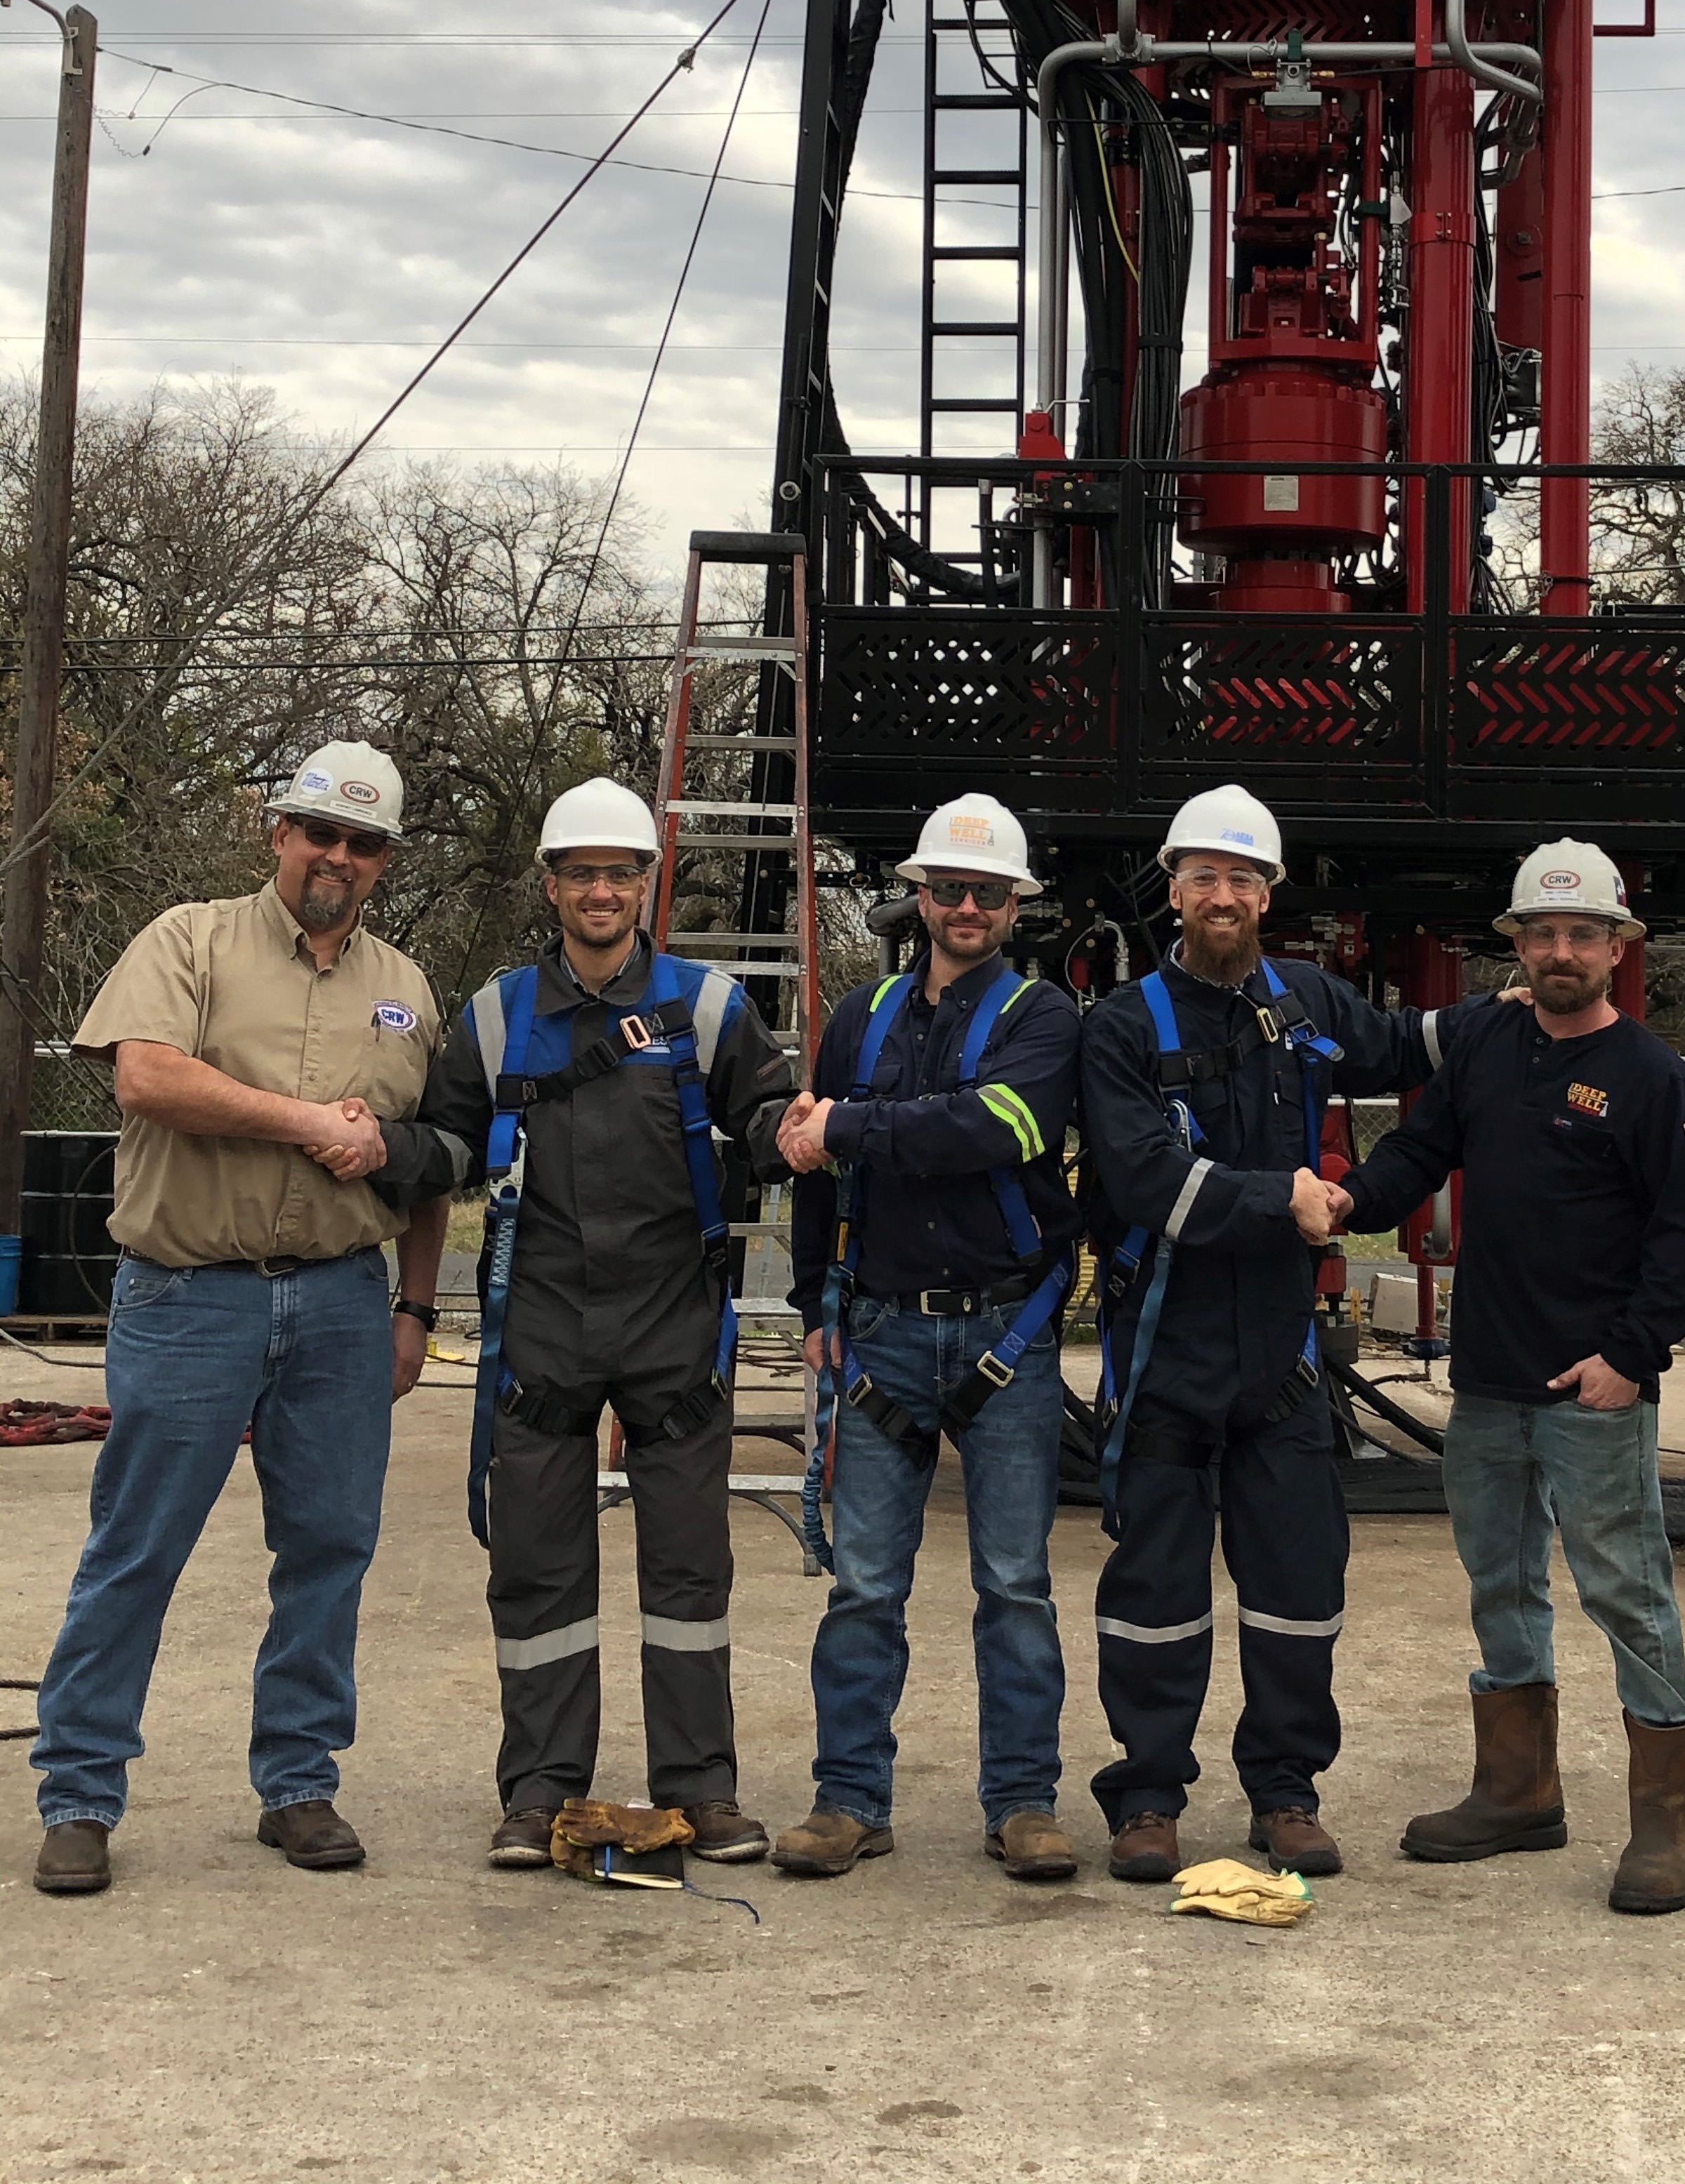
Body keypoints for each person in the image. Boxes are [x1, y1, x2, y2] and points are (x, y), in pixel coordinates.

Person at [32, 742, 447, 1897]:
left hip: (343, 1304)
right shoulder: (189, 941)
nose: (338, 857)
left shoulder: (408, 989)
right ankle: (80, 1794)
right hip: (189, 1296)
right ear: (280, 833)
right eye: (321, 832)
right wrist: (309, 1123)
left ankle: (299, 1782)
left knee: (329, 1549)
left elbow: (423, 1164)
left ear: (385, 861)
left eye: (363, 843)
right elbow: (148, 1080)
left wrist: (415, 1308)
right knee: (137, 1549)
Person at [358, 777, 793, 1871]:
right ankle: (541, 1790)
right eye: (581, 873)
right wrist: (375, 1146)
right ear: (550, 885)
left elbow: (766, 1120)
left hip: (674, 1330)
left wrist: (800, 1134)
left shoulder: (707, 1009)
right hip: (541, 1330)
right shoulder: (499, 1015)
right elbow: (451, 1145)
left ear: (649, 884)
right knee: (538, 1572)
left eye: (621, 873)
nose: (601, 891)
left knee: (689, 1577)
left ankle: (702, 1790)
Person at [1077, 785, 1489, 1886]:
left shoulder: (1305, 998)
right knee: (1156, 1596)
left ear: (1269, 895)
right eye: (1204, 877)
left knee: (1299, 1589)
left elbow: (1405, 1044)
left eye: (1243, 879)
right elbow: (1146, 1179)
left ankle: (1286, 1794)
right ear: (1174, 891)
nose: (1223, 895)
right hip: (1165, 1353)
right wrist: (1286, 1199)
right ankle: (1148, 1797)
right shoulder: (1122, 1027)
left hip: (1282, 1359)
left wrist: (1519, 1006)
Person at [1329, 838, 1685, 1914]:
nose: (1560, 952)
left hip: (1593, 1386)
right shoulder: (1488, 1049)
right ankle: (1517, 1792)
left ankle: (1663, 1825)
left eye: (1581, 934)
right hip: (1491, 1381)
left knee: (1625, 1588)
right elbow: (1419, 1154)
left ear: (1617, 946)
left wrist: (1630, 1357)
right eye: (1541, 934)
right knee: (1499, 1579)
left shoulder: (1652, 1076)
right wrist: (1349, 1200)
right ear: (1517, 944)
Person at [771, 793, 1083, 1881]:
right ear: (920, 896)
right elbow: (816, 1175)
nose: (966, 907)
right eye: (949, 888)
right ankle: (848, 1801)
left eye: (987, 892)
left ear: (1014, 906)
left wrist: (844, 1124)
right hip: (880, 1334)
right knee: (864, 1586)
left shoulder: (1046, 1019)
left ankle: (1024, 1804)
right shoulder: (860, 1019)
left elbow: (994, 1128)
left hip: (1006, 1333)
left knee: (1016, 1584)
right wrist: (814, 1306)